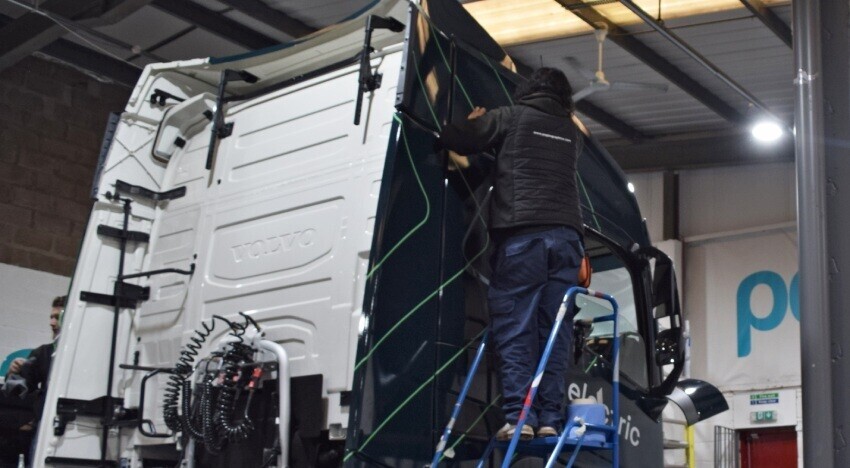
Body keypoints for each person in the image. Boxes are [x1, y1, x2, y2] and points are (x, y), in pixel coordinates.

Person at [438, 68, 584, 441]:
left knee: (517, 327)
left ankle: (521, 417)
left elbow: (455, 138)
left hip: (524, 237)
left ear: (529, 90)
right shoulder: (572, 133)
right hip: (567, 240)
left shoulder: (510, 117)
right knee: (555, 331)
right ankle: (549, 417)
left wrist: (473, 122)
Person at [6, 295, 64, 429]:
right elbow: (16, 392)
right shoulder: (42, 353)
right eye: (51, 317)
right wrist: (13, 373)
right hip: (44, 428)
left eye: (57, 317)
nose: (51, 323)